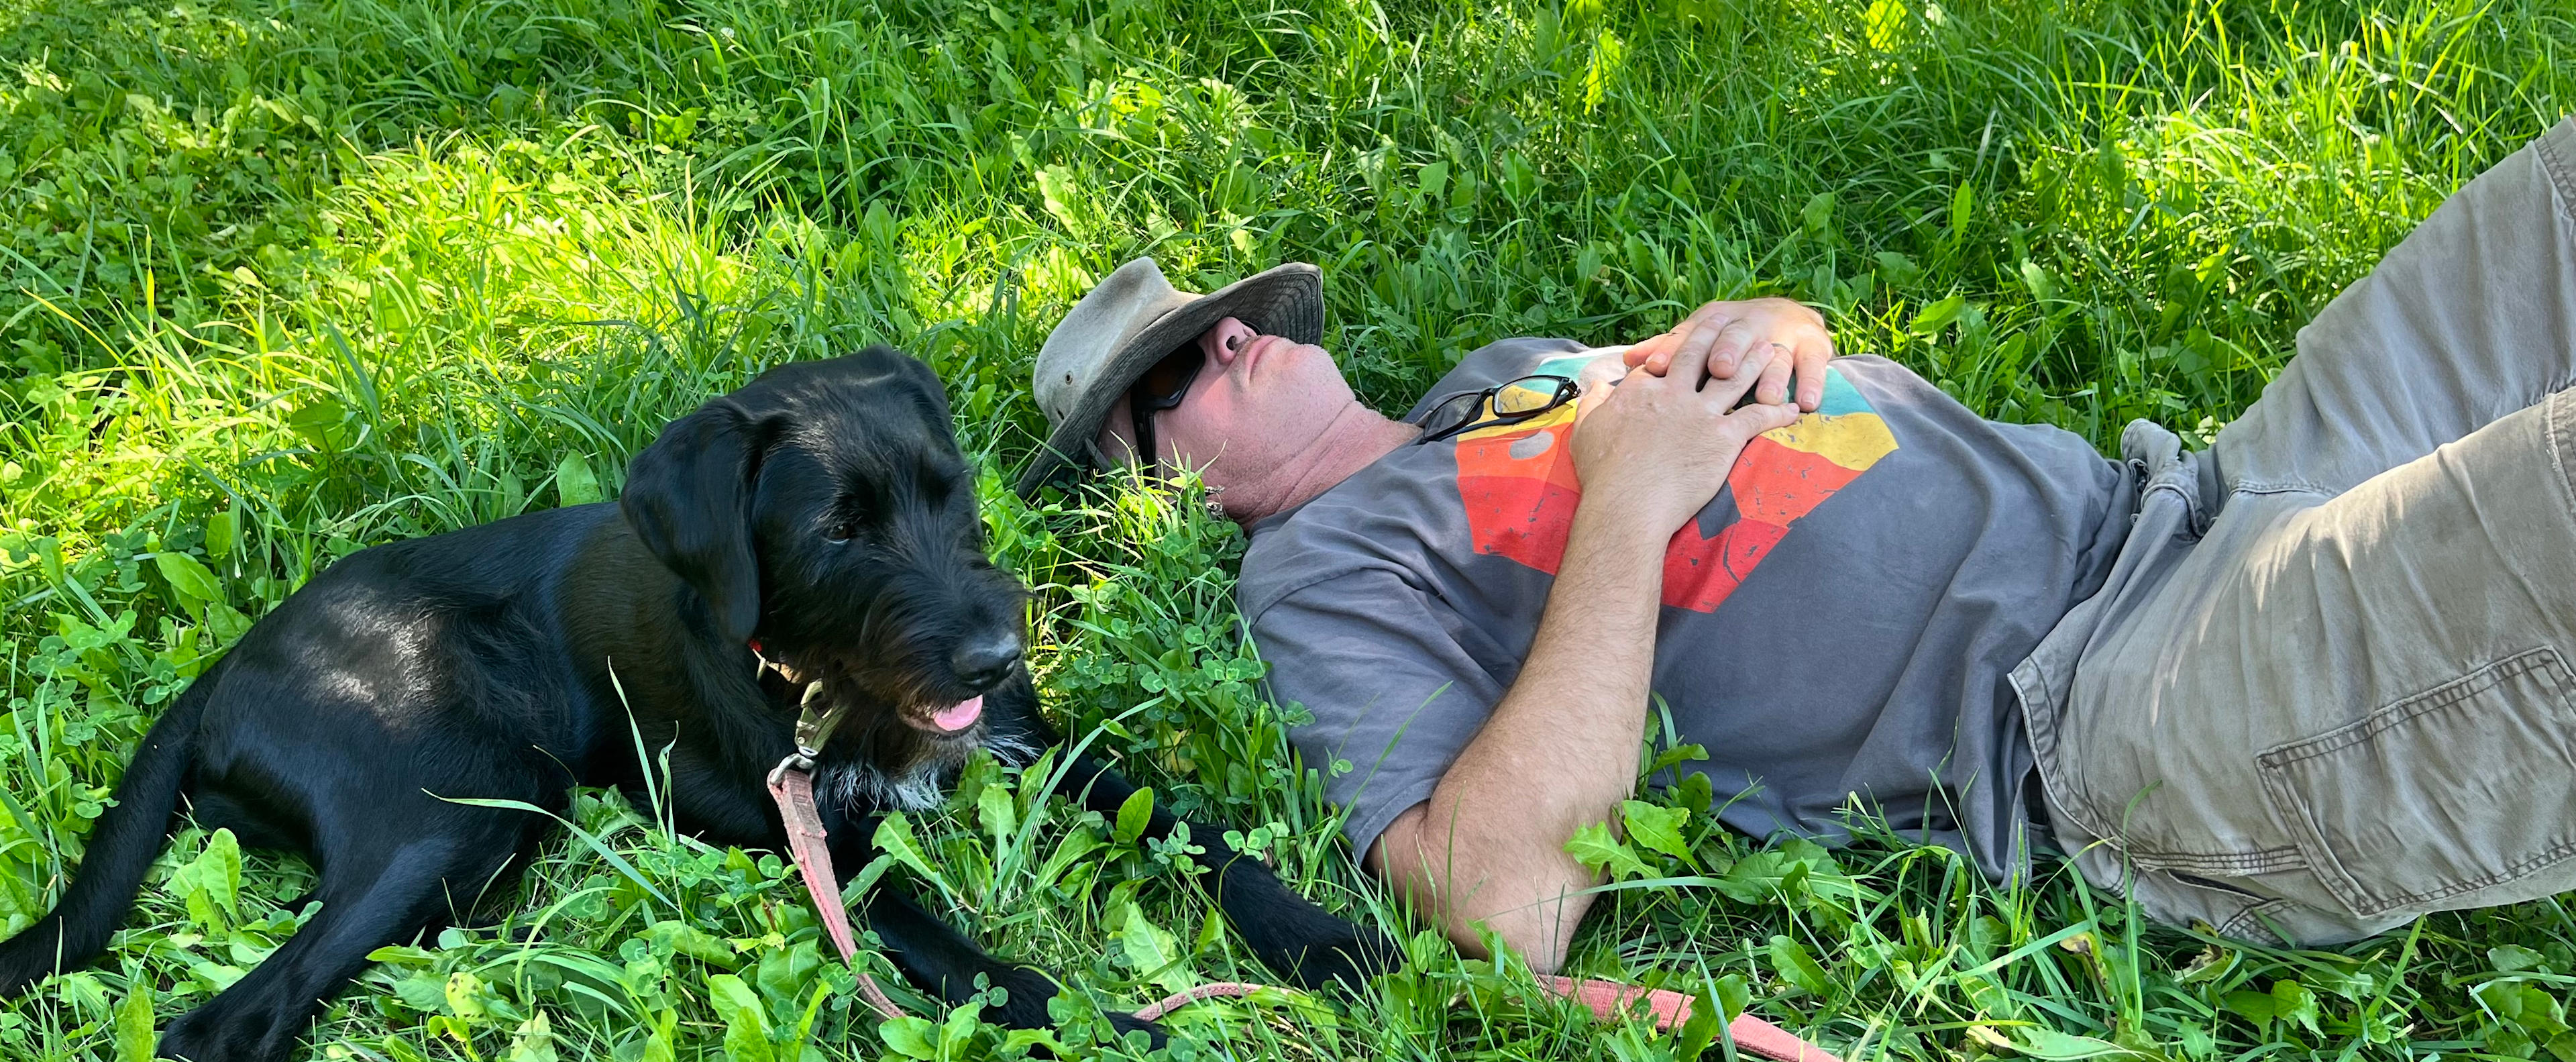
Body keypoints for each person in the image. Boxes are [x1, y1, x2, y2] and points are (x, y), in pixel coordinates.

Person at [1016, 117, 2576, 971]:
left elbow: (1752, 371)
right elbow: (1495, 903)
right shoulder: (1313, 576)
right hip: (2128, 710)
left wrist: (1777, 326)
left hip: (2198, 493)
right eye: (1171, 376)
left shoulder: (1495, 376)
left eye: (1219, 326)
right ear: (1158, 490)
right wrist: (1625, 504)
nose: (1225, 349)